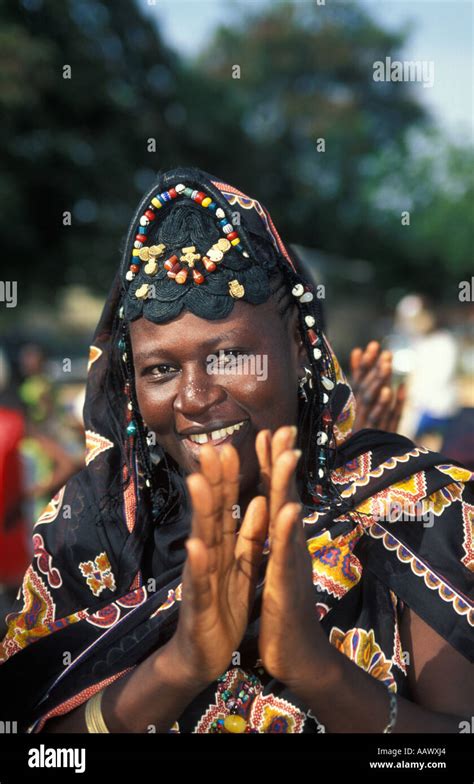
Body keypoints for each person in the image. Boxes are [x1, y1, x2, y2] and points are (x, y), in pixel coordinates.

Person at [0, 167, 472, 735]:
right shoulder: (92, 530)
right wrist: (177, 668)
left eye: (228, 358)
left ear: (299, 350)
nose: (195, 398)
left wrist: (317, 672)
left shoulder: (415, 509)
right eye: (162, 369)